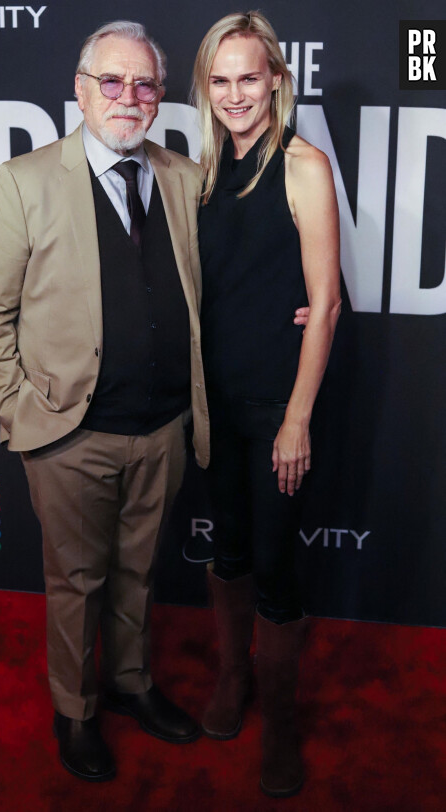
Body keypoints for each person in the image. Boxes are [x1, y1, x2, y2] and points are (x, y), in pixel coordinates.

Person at [0, 21, 210, 783]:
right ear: (80, 89)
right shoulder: (25, 181)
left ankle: (131, 685)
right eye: (112, 81)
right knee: (77, 583)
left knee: (138, 574)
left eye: (143, 85)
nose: (128, 98)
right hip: (70, 436)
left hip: (164, 427)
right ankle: (75, 711)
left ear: (160, 97)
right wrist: (19, 410)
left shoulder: (181, 176)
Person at [192, 11, 341, 798]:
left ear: (278, 79)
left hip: (275, 408)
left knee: (277, 565)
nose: (235, 93)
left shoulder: (302, 164)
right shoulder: (205, 168)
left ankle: (280, 719)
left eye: (250, 77)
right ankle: (230, 680)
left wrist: (296, 418)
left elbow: (326, 302)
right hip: (213, 406)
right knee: (229, 551)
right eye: (220, 80)